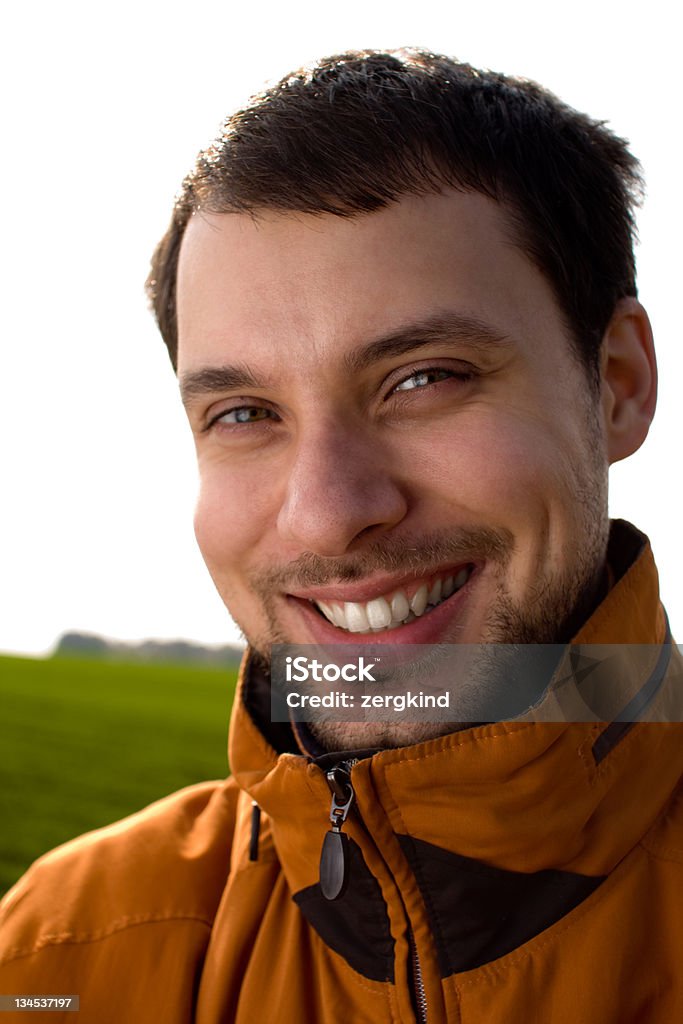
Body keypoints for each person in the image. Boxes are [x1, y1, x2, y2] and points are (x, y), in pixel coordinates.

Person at [1, 48, 681, 1023]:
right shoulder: (62, 951)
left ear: (614, 382)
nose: (325, 510)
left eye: (422, 378)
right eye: (243, 413)